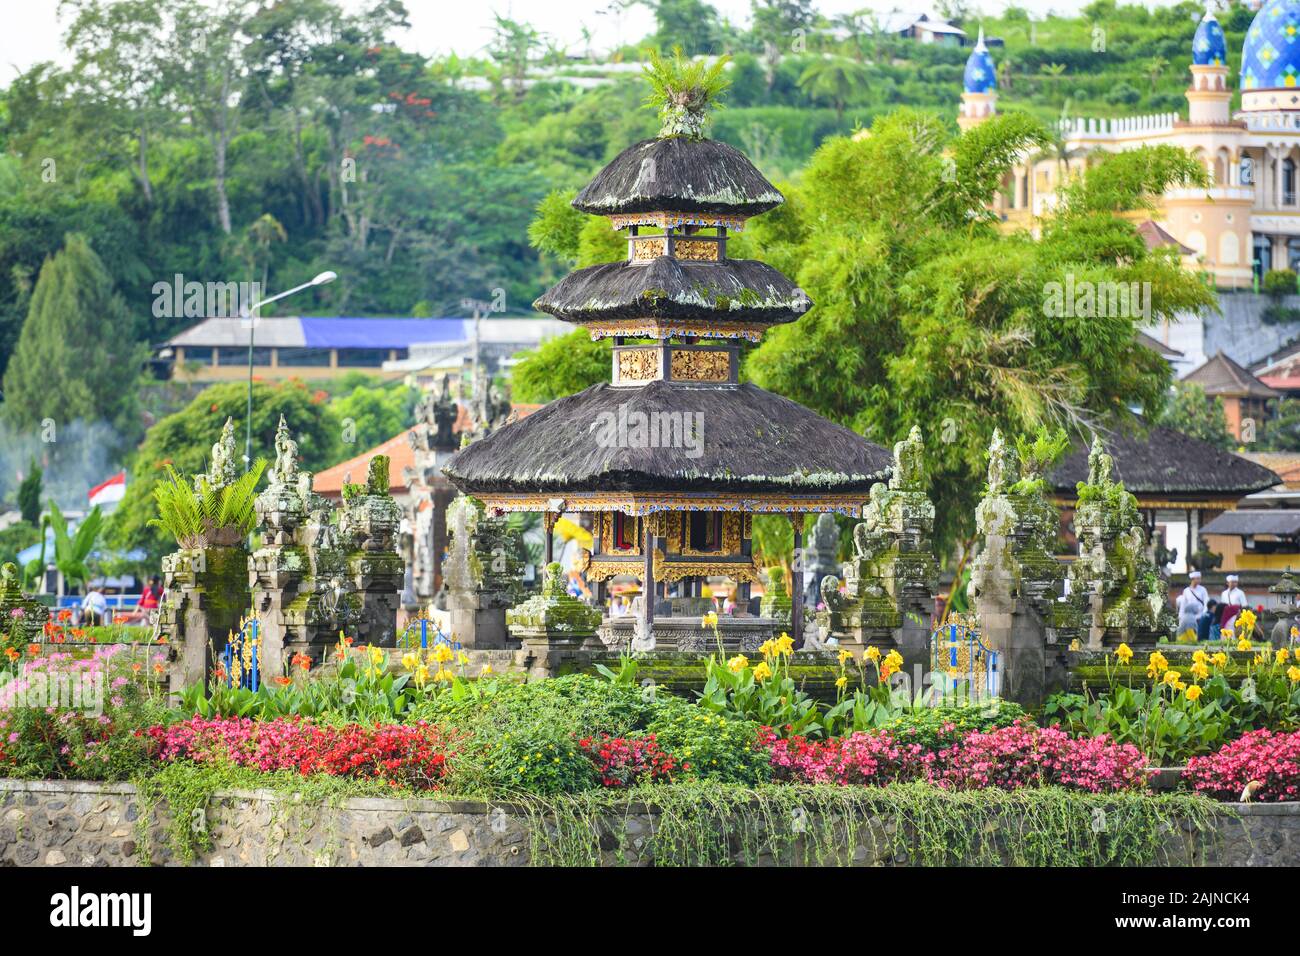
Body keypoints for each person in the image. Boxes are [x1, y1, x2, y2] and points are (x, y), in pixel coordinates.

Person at [1176, 570, 1209, 638]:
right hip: (1190, 617)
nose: (1199, 580)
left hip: (1200, 615)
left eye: (1200, 578)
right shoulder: (1186, 591)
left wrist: (1204, 613)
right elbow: (1183, 604)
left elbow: (1206, 602)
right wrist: (1181, 616)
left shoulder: (1203, 589)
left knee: (1199, 632)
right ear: (1192, 579)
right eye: (1197, 578)